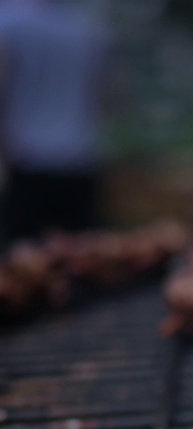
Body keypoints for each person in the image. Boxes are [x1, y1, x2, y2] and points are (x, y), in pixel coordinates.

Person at [0, 0, 109, 246]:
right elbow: (101, 97)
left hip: (28, 159)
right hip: (81, 160)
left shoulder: (11, 23)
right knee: (79, 259)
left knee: (23, 260)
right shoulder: (88, 28)